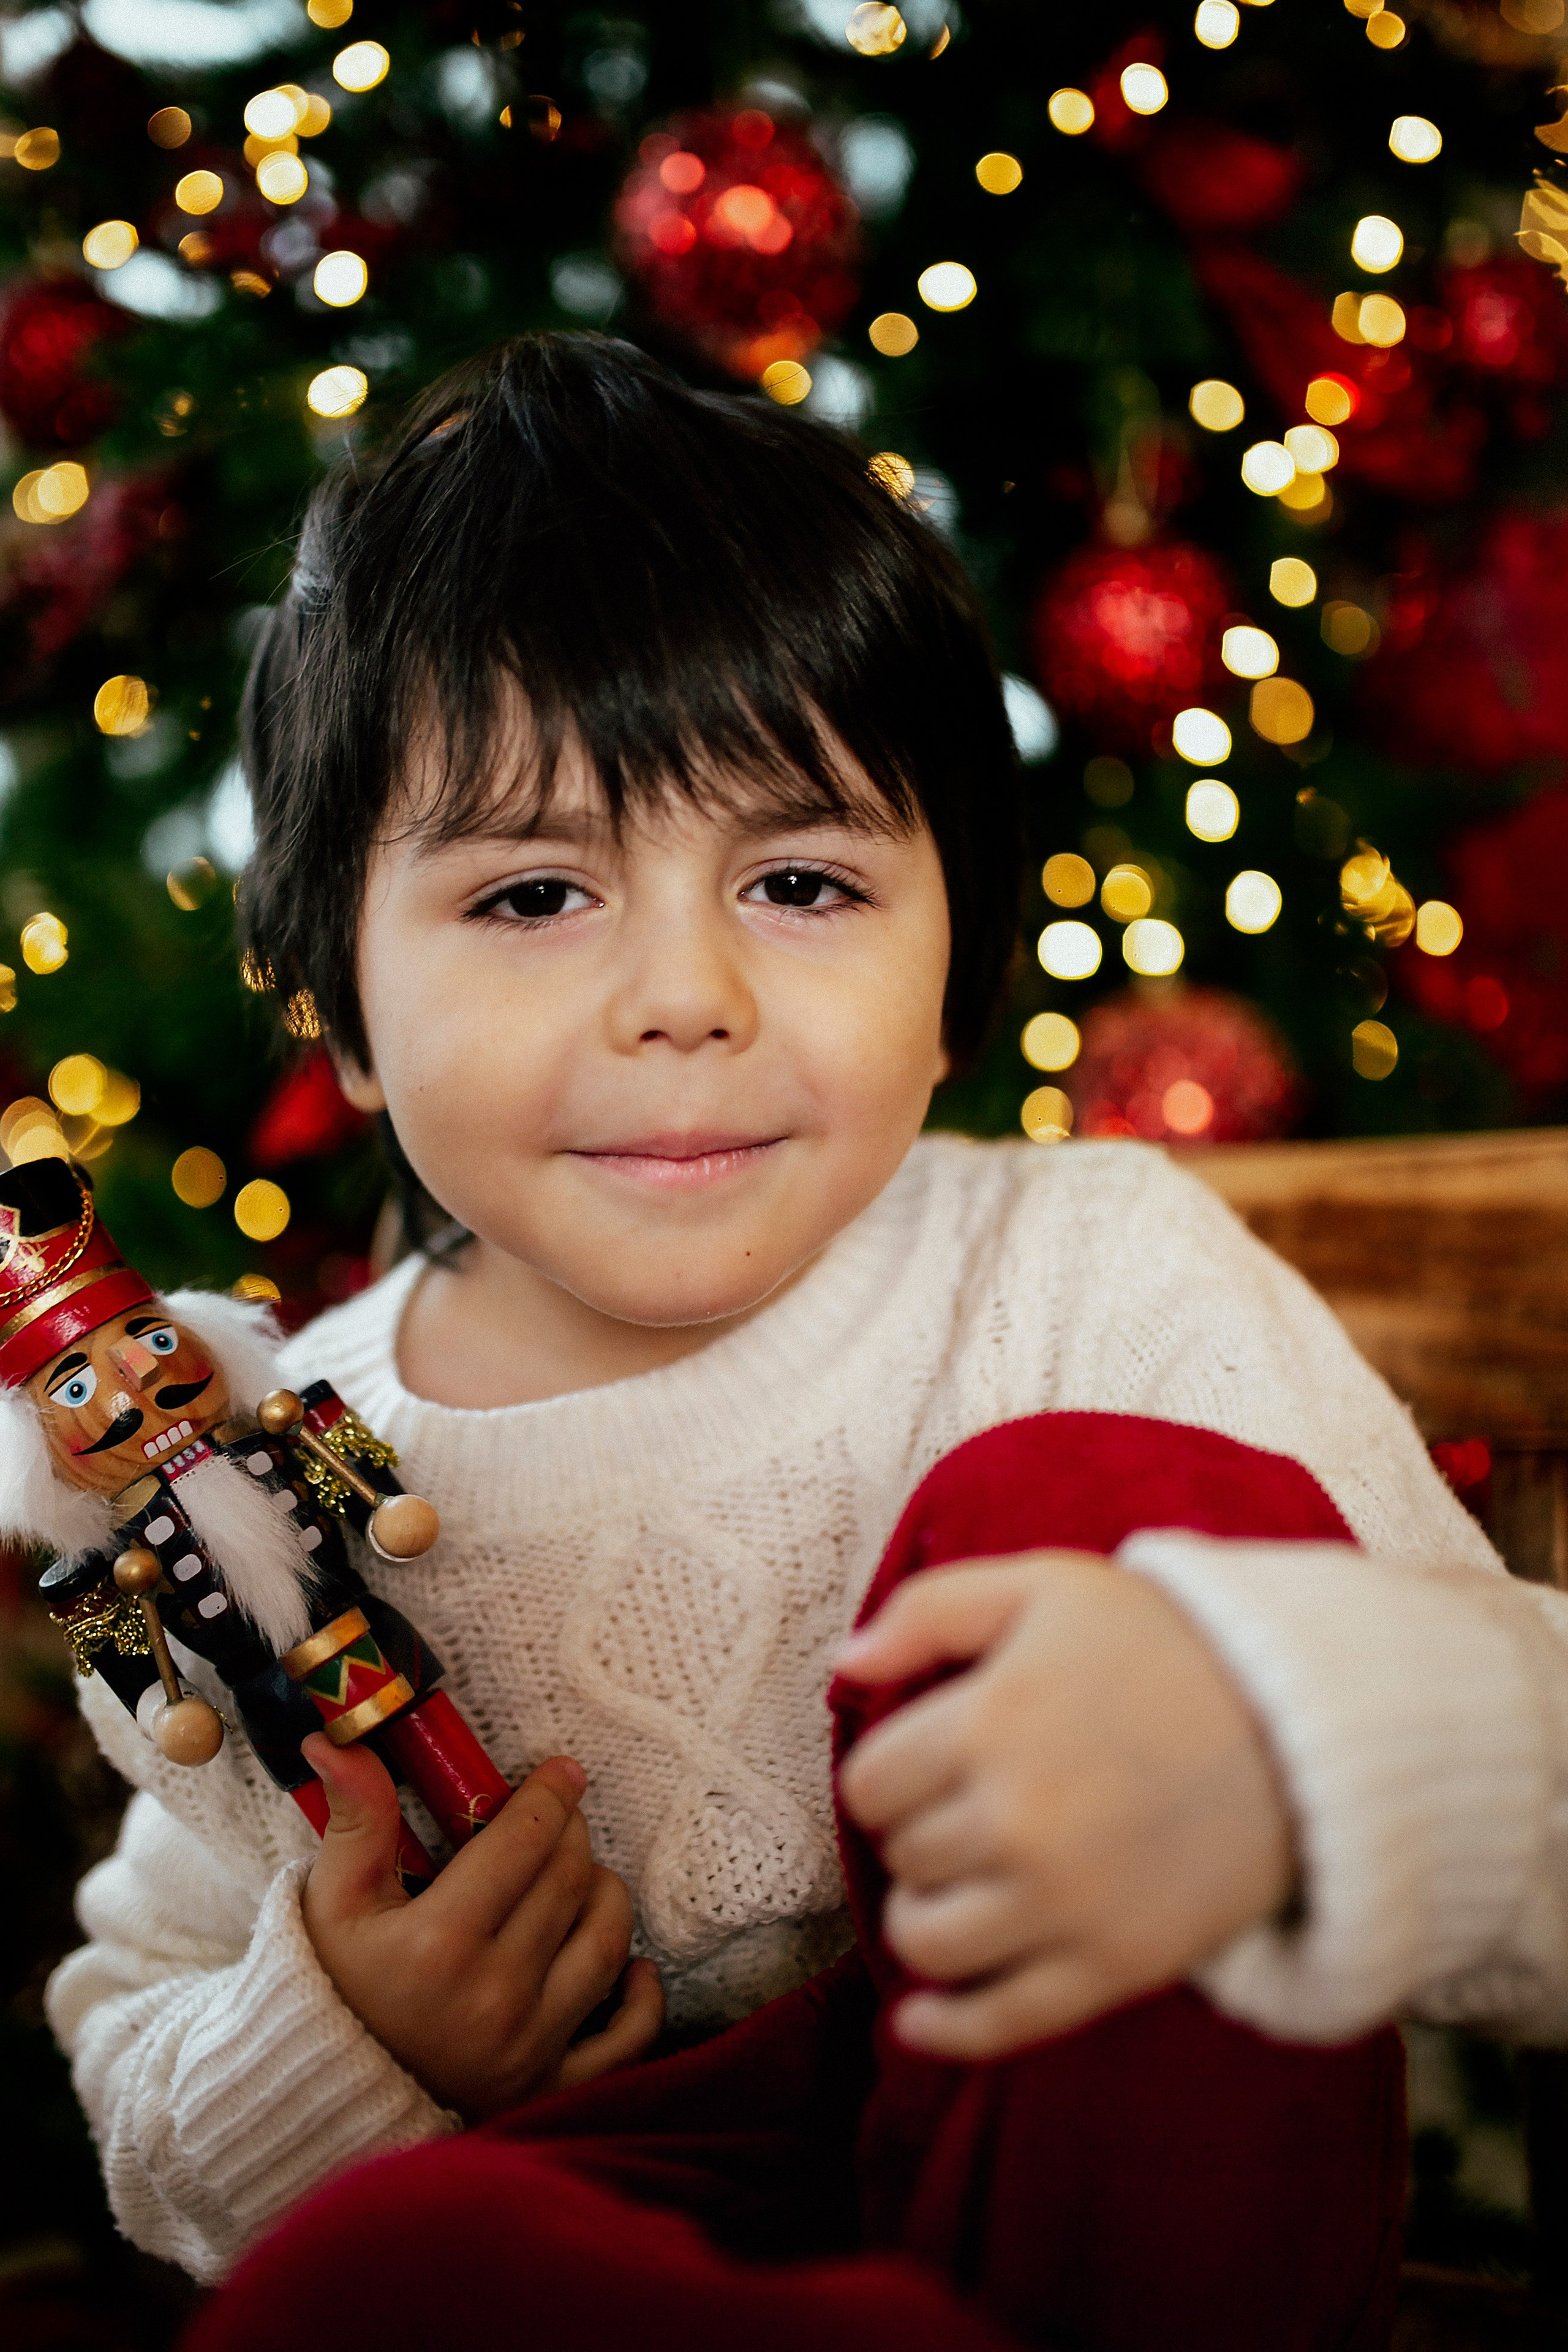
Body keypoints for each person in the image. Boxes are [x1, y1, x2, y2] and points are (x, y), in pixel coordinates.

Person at [42, 337, 1568, 2335]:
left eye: (799, 879)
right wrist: (351, 2033)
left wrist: (1283, 1743)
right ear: (333, 992)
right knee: (379, 2271)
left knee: (1100, 1505)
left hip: (1117, 2214)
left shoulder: (1090, 1275)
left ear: (957, 962)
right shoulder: (268, 1478)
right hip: (626, 2242)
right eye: (532, 897)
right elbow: (140, 2036)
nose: (687, 995)